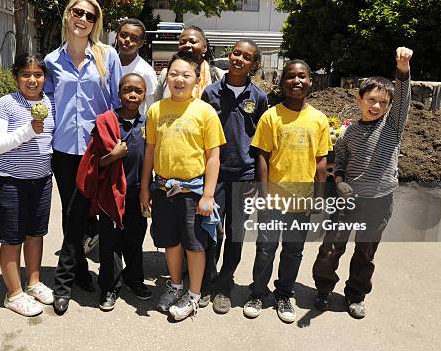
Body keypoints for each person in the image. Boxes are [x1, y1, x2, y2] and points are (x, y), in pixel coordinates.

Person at [312, 47, 413, 319]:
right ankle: (323, 289)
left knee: (365, 253)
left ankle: (355, 296)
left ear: (390, 107)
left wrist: (402, 69)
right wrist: (340, 180)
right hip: (347, 201)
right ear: (359, 99)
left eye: (383, 102)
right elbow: (341, 163)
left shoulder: (392, 127)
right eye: (371, 100)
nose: (376, 106)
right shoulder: (349, 134)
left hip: (379, 202)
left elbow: (403, 99)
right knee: (331, 247)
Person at [45, 0, 123, 315]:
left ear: (95, 23)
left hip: (97, 152)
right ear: (67, 15)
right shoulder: (51, 61)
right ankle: (77, 274)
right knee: (71, 215)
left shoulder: (108, 56)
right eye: (78, 13)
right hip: (63, 152)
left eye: (90, 16)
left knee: (97, 215)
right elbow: (47, 106)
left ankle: (66, 283)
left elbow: (118, 104)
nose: (83, 19)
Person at [140, 51, 226, 321]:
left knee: (195, 245)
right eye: (174, 74)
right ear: (166, 78)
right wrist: (145, 187)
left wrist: (208, 195)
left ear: (196, 79)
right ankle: (175, 285)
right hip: (163, 189)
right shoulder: (156, 110)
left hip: (194, 193)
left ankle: (194, 294)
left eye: (186, 75)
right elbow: (150, 152)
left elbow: (213, 157)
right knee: (171, 242)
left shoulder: (205, 111)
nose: (179, 79)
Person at [244, 59, 331, 323]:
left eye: (302, 76)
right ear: (282, 82)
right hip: (274, 198)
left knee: (293, 250)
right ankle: (258, 292)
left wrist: (318, 198)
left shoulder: (319, 119)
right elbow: (262, 157)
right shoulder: (271, 116)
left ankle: (284, 293)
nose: (296, 81)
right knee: (266, 248)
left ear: (310, 81)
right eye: (291, 76)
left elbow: (321, 162)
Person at [200, 39, 268, 314]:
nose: (239, 59)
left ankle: (224, 286)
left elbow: (262, 141)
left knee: (235, 234)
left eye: (247, 57)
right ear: (229, 56)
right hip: (214, 175)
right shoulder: (210, 93)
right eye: (236, 53)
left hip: (244, 176)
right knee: (211, 231)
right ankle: (206, 281)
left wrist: (256, 179)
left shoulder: (259, 97)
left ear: (254, 64)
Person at [0, 53, 55, 317]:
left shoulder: (49, 103)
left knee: (36, 234)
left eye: (38, 74)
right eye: (26, 74)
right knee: (12, 239)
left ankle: (33, 282)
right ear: (16, 77)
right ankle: (13, 294)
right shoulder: (5, 105)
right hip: (9, 182)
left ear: (45, 78)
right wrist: (27, 131)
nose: (32, 79)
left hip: (41, 181)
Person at [76, 73, 152, 311]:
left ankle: (134, 280)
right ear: (118, 93)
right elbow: (92, 163)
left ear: (144, 95)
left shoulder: (148, 125)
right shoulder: (107, 123)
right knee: (110, 243)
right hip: (111, 195)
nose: (132, 95)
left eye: (138, 91)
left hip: (138, 193)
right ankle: (109, 286)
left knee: (135, 240)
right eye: (127, 89)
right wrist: (113, 156)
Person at [154, 26, 222, 101]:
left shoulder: (218, 76)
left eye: (193, 42)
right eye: (182, 42)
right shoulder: (166, 74)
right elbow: (156, 106)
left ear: (205, 47)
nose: (187, 45)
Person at [115, 18, 158, 114]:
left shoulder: (146, 71)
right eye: (123, 35)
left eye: (133, 38)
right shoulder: (106, 64)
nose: (126, 40)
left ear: (141, 43)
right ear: (117, 36)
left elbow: (151, 106)